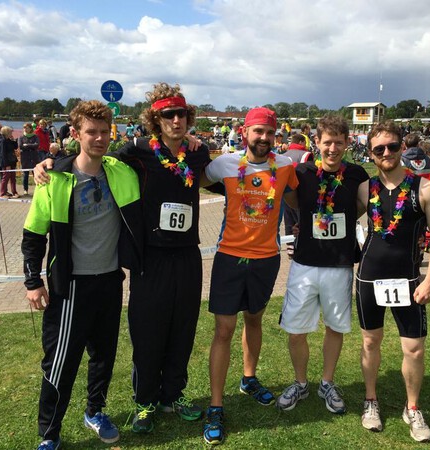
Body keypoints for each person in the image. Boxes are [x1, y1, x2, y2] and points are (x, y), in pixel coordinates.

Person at [35, 84, 211, 432]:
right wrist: (51, 162)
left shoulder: (197, 153)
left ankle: (173, 394)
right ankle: (145, 401)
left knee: (183, 329)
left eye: (181, 114)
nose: (176, 121)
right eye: (167, 115)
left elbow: (221, 176)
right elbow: (95, 157)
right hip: (150, 259)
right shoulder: (137, 151)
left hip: (188, 257)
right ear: (155, 120)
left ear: (189, 118)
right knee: (148, 331)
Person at [23, 100, 142, 450]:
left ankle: (95, 411)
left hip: (109, 280)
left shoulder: (121, 172)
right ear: (76, 134)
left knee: (104, 355)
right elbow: (32, 236)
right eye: (92, 132)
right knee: (61, 361)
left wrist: (194, 143)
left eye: (105, 131)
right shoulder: (55, 179)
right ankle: (50, 433)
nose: (100, 138)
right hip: (70, 285)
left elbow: (156, 148)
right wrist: (33, 281)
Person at [202, 107, 299, 445]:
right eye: (258, 131)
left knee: (254, 320)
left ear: (276, 136)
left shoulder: (285, 166)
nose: (264, 138)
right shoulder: (225, 164)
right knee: (224, 329)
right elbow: (193, 180)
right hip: (229, 256)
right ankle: (216, 405)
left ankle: (249, 378)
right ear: (244, 132)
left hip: (266, 259)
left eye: (270, 133)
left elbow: (297, 197)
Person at [356, 121, 430, 443]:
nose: (386, 153)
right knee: (370, 341)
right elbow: (336, 219)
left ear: (402, 149)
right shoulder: (366, 189)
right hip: (369, 278)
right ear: (371, 154)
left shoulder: (425, 189)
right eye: (379, 149)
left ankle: (412, 407)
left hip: (408, 280)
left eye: (392, 147)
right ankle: (371, 401)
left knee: (414, 348)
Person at [276, 115, 369, 415]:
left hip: (340, 265)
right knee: (295, 329)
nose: (332, 148)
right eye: (327, 142)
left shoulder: (356, 174)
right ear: (316, 142)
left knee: (334, 326)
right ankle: (300, 382)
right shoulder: (301, 171)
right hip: (304, 264)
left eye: (338, 143)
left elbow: (362, 206)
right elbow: (291, 202)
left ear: (347, 143)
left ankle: (326, 382)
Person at [281, 133, 313, 258]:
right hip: (300, 194)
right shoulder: (306, 155)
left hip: (285, 193)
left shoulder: (282, 156)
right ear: (301, 142)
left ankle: (290, 250)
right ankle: (302, 247)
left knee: (289, 221)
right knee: (301, 221)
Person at [0, 126, 19, 199]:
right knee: (5, 177)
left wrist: (13, 140)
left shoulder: (8, 140)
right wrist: (6, 164)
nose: (11, 133)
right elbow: (2, 154)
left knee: (13, 177)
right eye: (10, 132)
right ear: (7, 132)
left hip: (12, 161)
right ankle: (3, 193)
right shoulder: (2, 141)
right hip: (6, 162)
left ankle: (14, 192)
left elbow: (15, 147)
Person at [18, 122, 40, 195]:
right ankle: (25, 190)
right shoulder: (21, 137)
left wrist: (27, 145)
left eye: (27, 128)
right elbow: (21, 146)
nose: (25, 129)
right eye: (24, 128)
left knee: (36, 174)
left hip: (34, 157)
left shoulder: (35, 137)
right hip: (25, 158)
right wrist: (30, 146)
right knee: (25, 174)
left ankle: (38, 188)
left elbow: (36, 145)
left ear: (30, 129)